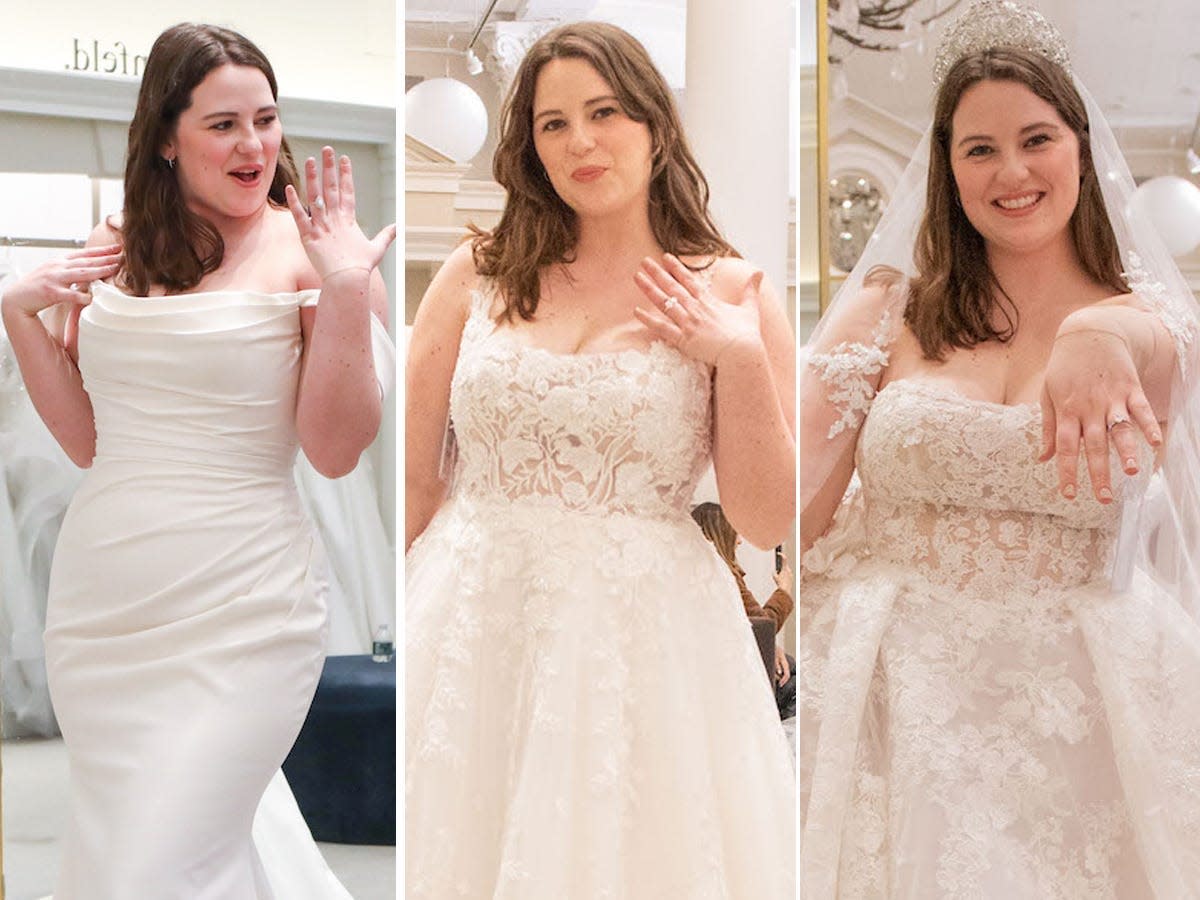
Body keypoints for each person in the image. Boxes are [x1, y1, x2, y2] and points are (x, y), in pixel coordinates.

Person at [800, 1, 1200, 895]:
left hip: (1082, 704)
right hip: (890, 689)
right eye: (979, 148)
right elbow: (791, 506)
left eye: (1036, 138)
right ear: (947, 169)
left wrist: (1096, 333)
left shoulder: (1152, 325)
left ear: (1081, 148)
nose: (1011, 171)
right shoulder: (889, 313)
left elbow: (1153, 356)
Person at [0, 22, 394, 897]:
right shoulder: (120, 243)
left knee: (159, 860)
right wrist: (20, 317)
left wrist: (343, 290)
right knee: (128, 851)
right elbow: (88, 442)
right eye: (223, 124)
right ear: (166, 138)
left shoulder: (307, 249)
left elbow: (334, 450)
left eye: (266, 118)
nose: (253, 145)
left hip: (245, 605)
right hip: (106, 610)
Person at [405, 21, 795, 898]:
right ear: (529, 146)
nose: (579, 141)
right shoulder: (475, 274)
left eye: (605, 112)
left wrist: (736, 356)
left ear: (655, 123)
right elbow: (415, 487)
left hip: (641, 640)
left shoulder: (730, 292)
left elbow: (768, 519)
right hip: (474, 624)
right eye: (552, 123)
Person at [691, 500, 795, 706]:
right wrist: (784, 590)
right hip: (734, 667)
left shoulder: (698, 575)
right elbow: (763, 623)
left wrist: (772, 645)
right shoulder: (726, 575)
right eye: (735, 533)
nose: (740, 541)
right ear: (722, 534)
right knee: (791, 672)